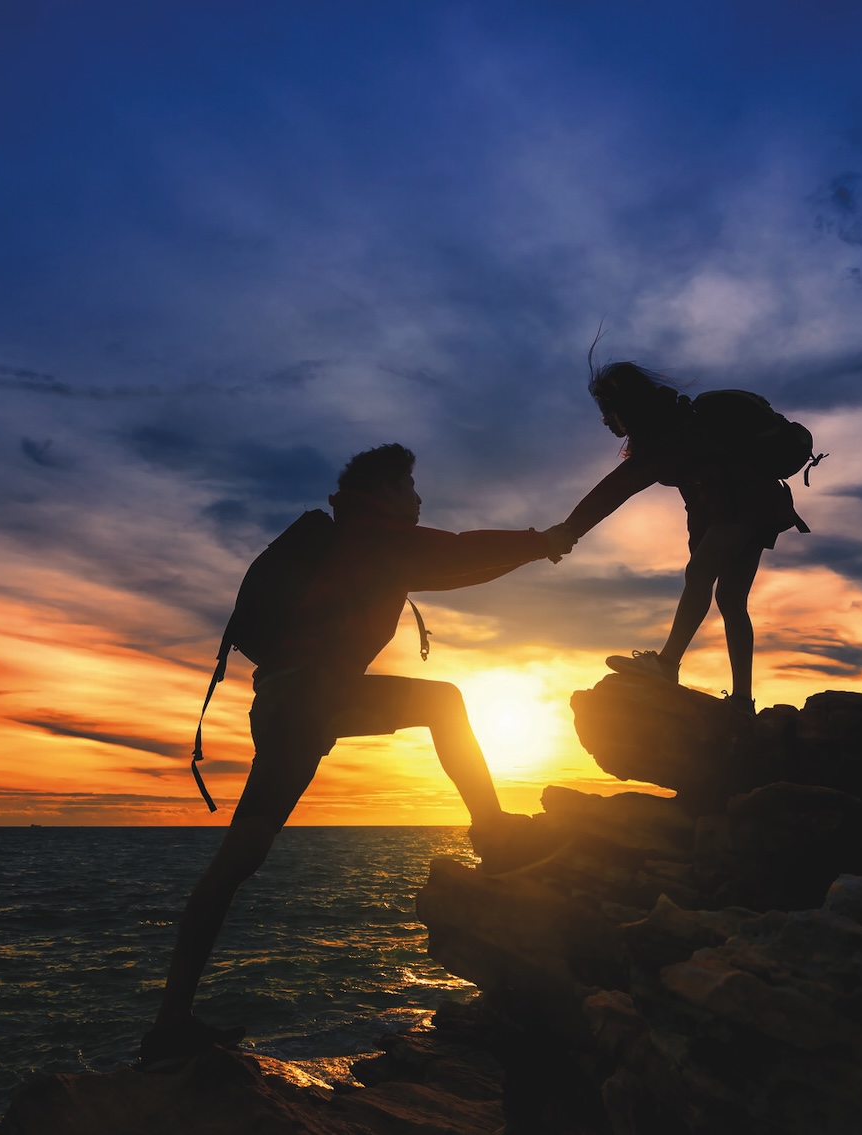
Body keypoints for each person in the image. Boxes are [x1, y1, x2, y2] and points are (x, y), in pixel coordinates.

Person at [141, 443, 576, 1069]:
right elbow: (458, 554)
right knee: (446, 702)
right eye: (411, 487)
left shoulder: (352, 541)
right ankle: (495, 833)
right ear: (386, 490)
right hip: (314, 693)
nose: (420, 499)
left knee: (239, 860)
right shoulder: (371, 537)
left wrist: (536, 547)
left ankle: (169, 1025)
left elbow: (453, 569)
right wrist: (542, 540)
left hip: (286, 703)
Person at [560, 363, 804, 714]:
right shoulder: (677, 421)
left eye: (608, 413)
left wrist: (570, 529)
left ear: (624, 406)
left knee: (703, 575)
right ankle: (741, 700)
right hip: (758, 504)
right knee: (731, 600)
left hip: (745, 504)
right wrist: (698, 544)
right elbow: (700, 494)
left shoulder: (665, 432)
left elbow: (619, 487)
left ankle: (667, 664)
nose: (608, 423)